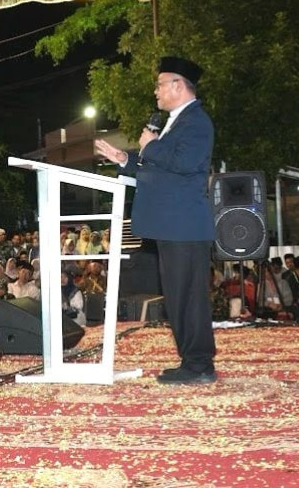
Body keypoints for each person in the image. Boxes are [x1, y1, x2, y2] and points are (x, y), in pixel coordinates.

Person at [95, 55, 216, 385]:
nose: (156, 91)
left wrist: (149, 147)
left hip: (184, 226)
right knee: (177, 297)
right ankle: (191, 361)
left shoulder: (196, 122)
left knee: (188, 298)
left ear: (178, 86)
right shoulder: (177, 121)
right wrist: (125, 158)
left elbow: (186, 162)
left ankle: (200, 365)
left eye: (160, 84)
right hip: (172, 226)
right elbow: (163, 167)